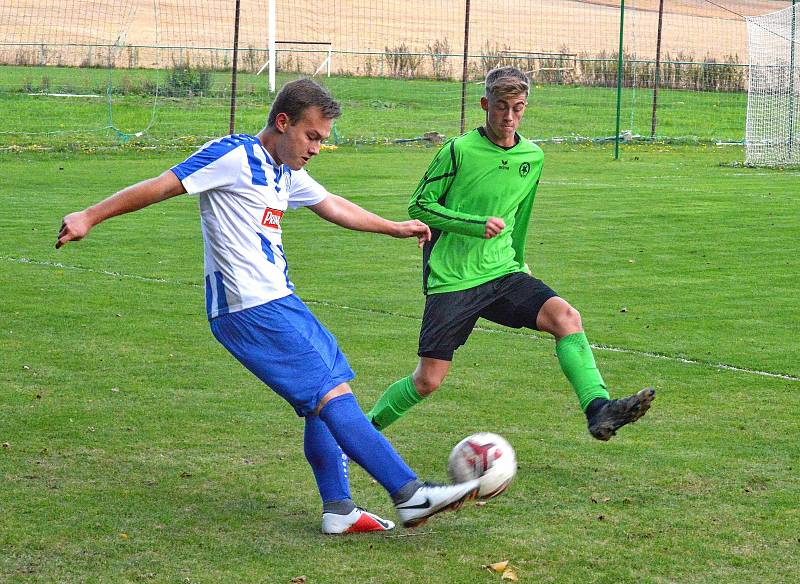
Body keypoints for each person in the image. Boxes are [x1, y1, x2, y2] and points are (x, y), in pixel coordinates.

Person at [56, 78, 481, 534]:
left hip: (279, 299)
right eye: (312, 136)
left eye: (322, 140)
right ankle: (409, 494)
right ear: (283, 122)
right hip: (248, 307)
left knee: (331, 392)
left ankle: (339, 509)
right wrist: (89, 216)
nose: (317, 148)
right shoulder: (234, 156)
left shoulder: (284, 170)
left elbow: (331, 205)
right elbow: (162, 185)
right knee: (329, 394)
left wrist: (393, 228)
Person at [366, 67, 655, 440]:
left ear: (525, 108)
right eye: (501, 107)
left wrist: (519, 259)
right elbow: (419, 205)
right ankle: (362, 431)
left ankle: (599, 409)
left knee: (566, 317)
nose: (508, 117)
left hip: (503, 272)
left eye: (517, 108)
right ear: (485, 104)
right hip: (453, 277)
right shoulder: (458, 151)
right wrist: (473, 224)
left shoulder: (532, 157)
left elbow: (520, 216)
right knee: (428, 380)